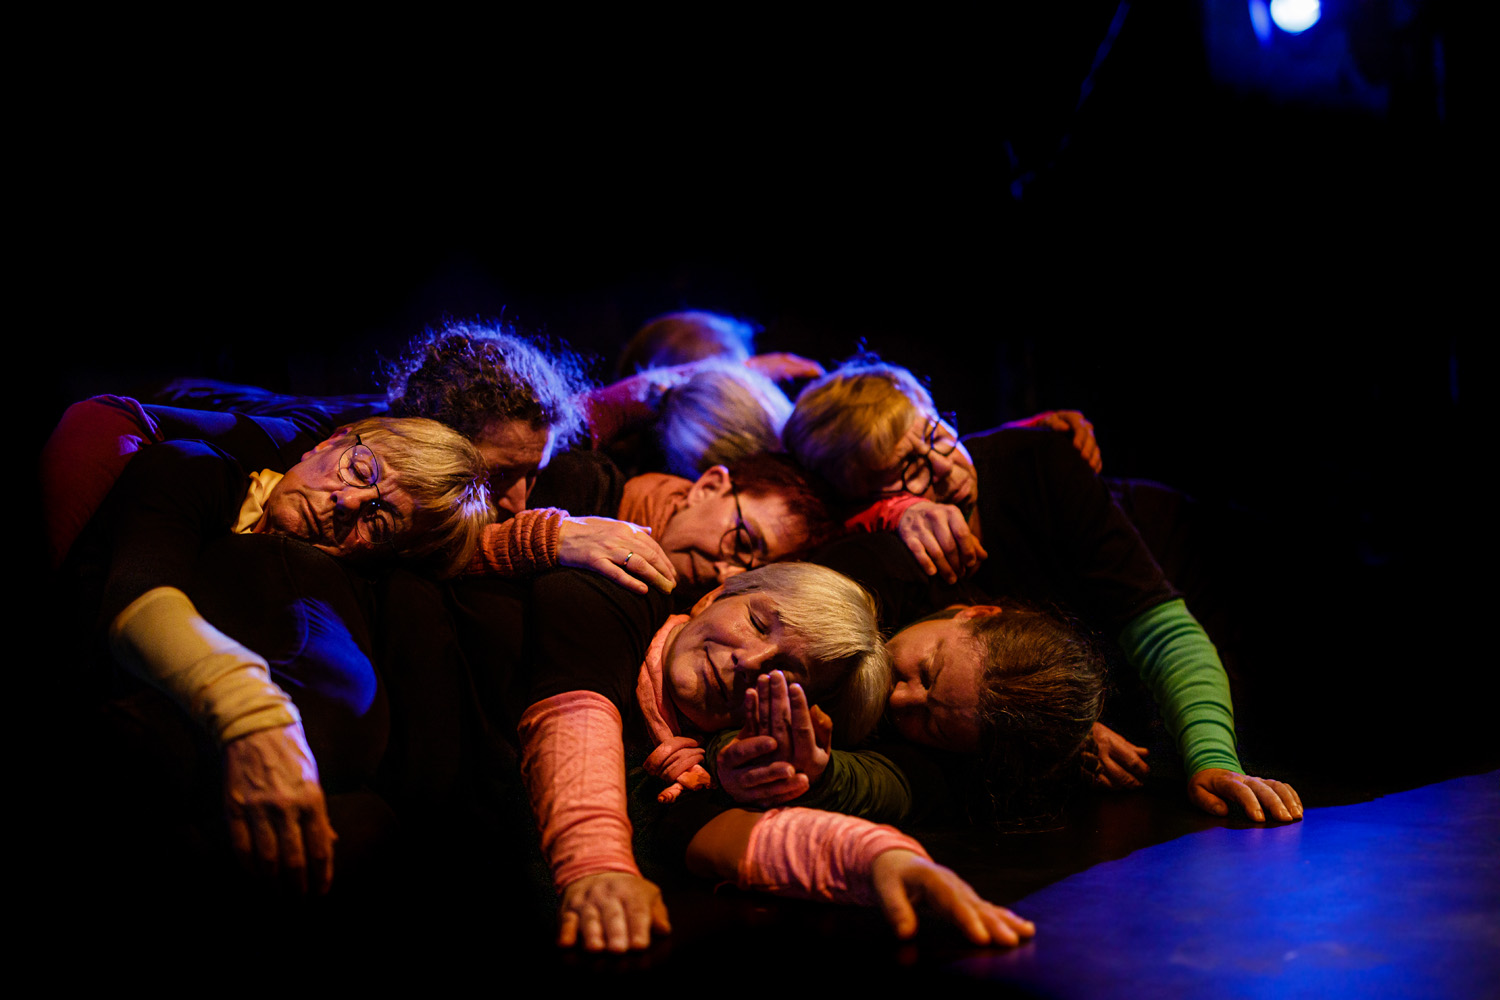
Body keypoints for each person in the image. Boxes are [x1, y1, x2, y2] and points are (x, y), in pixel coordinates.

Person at [782, 358, 1303, 824]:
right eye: (908, 470)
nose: (943, 467)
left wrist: (1213, 759)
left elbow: (1161, 630)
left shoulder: (1035, 464)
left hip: (1199, 561)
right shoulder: (885, 558)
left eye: (936, 435)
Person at [511, 559, 1031, 952]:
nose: (750, 660)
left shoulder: (688, 778)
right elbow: (576, 721)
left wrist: (880, 859)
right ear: (715, 594)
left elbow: (738, 837)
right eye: (760, 623)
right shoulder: (613, 598)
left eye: (785, 672)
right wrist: (597, 865)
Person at [84, 416, 492, 892]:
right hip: (100, 694)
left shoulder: (350, 587)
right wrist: (252, 715)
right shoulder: (197, 469)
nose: (348, 502)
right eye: (360, 471)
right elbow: (135, 598)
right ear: (329, 442)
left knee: (366, 826)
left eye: (378, 521)